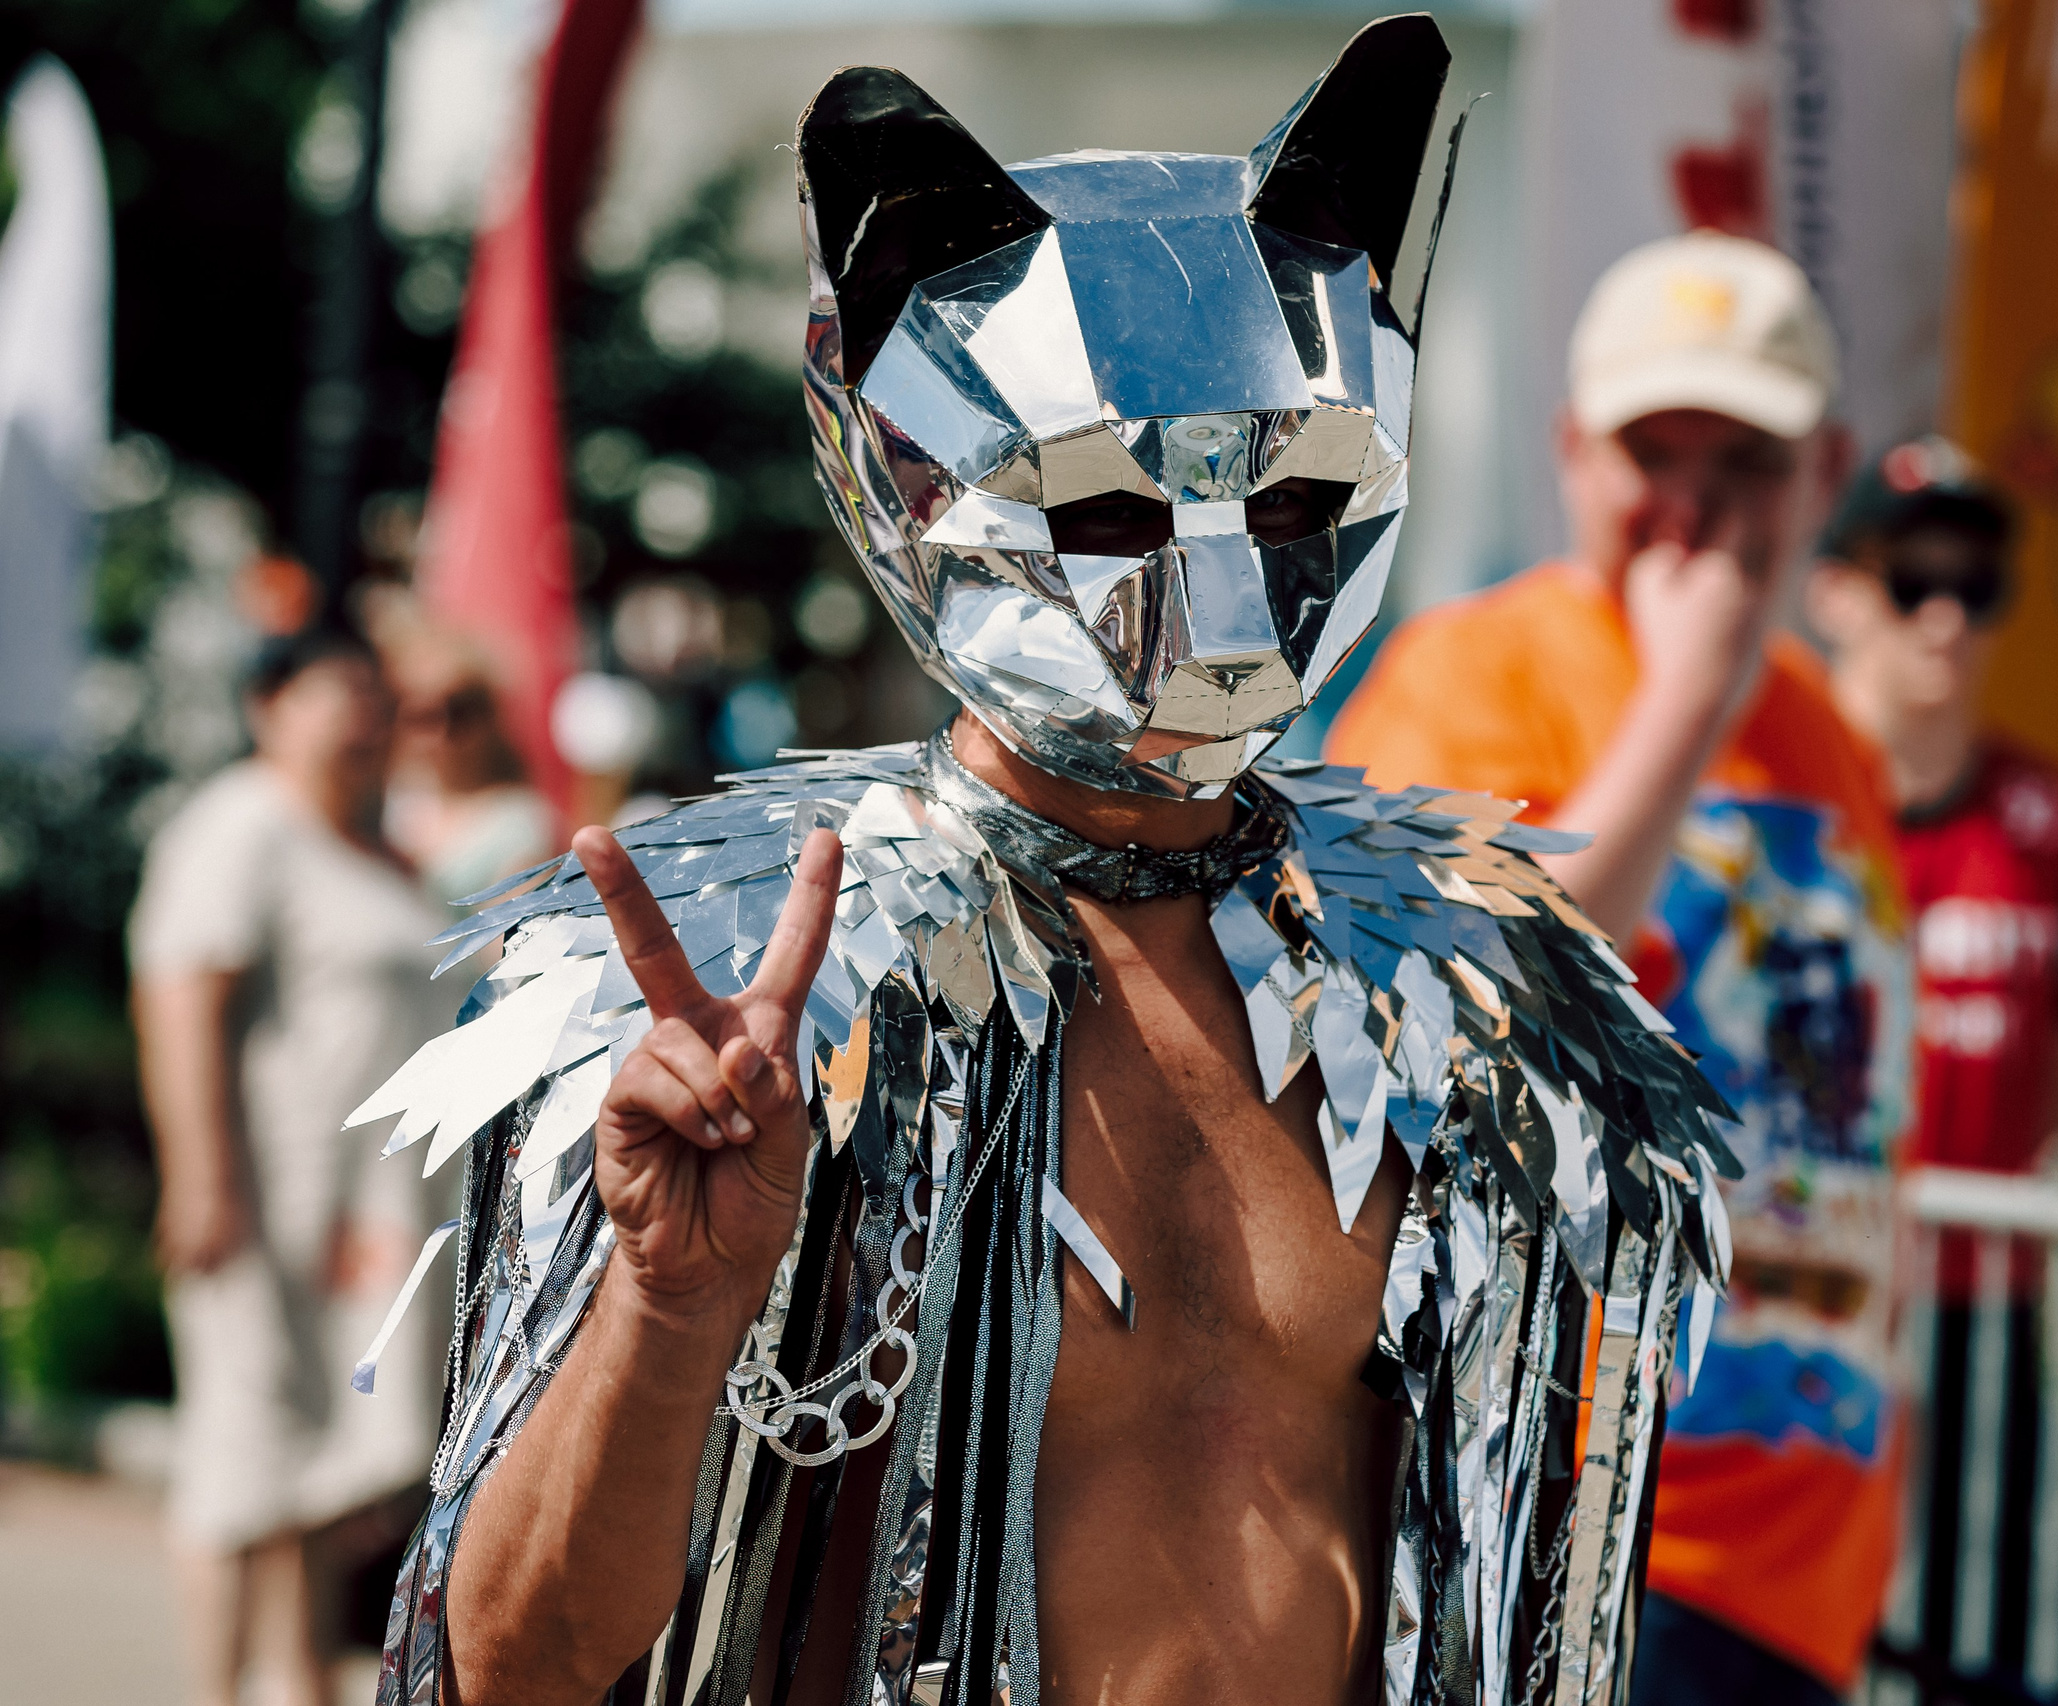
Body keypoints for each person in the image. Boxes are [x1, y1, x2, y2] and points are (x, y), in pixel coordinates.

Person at [356, 23, 1733, 1706]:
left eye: (1290, 505)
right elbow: (513, 1664)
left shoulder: (1458, 1005)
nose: (1220, 602)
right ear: (906, 476)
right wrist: (668, 1300)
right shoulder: (740, 982)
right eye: (1107, 513)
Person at [1330, 232, 1912, 1706]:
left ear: (1826, 465)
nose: (1697, 507)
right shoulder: (1472, 675)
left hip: (1800, 1548)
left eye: (1752, 460)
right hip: (1552, 1512)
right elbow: (1478, 988)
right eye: (1659, 449)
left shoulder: (1833, 736)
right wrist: (1683, 701)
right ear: (1574, 449)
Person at [1801, 438, 2058, 1691]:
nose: (1944, 614)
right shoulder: (1772, 801)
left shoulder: (2054, 818)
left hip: (1987, 1314)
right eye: (1911, 578)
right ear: (1834, 591)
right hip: (1804, 1306)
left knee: (1975, 1651)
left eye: (1976, 584)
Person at [130, 627, 450, 1706]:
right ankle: (215, 1688)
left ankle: (301, 1677)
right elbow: (180, 995)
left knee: (319, 1463)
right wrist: (200, 1175)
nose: (365, 712)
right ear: (270, 705)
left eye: (377, 690)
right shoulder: (239, 824)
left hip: (364, 1215)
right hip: (266, 1196)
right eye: (338, 689)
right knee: (240, 1450)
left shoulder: (374, 846)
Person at [381, 629, 555, 904]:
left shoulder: (519, 822)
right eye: (422, 715)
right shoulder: (377, 794)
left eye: (460, 710)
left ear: (491, 715)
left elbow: (506, 935)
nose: (441, 731)